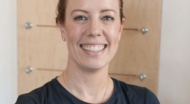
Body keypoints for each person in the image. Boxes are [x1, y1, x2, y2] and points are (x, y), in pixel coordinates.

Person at [15, 0, 160, 104]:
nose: (94, 30)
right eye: (81, 17)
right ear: (62, 28)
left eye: (107, 17)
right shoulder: (32, 102)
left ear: (120, 28)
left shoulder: (145, 100)